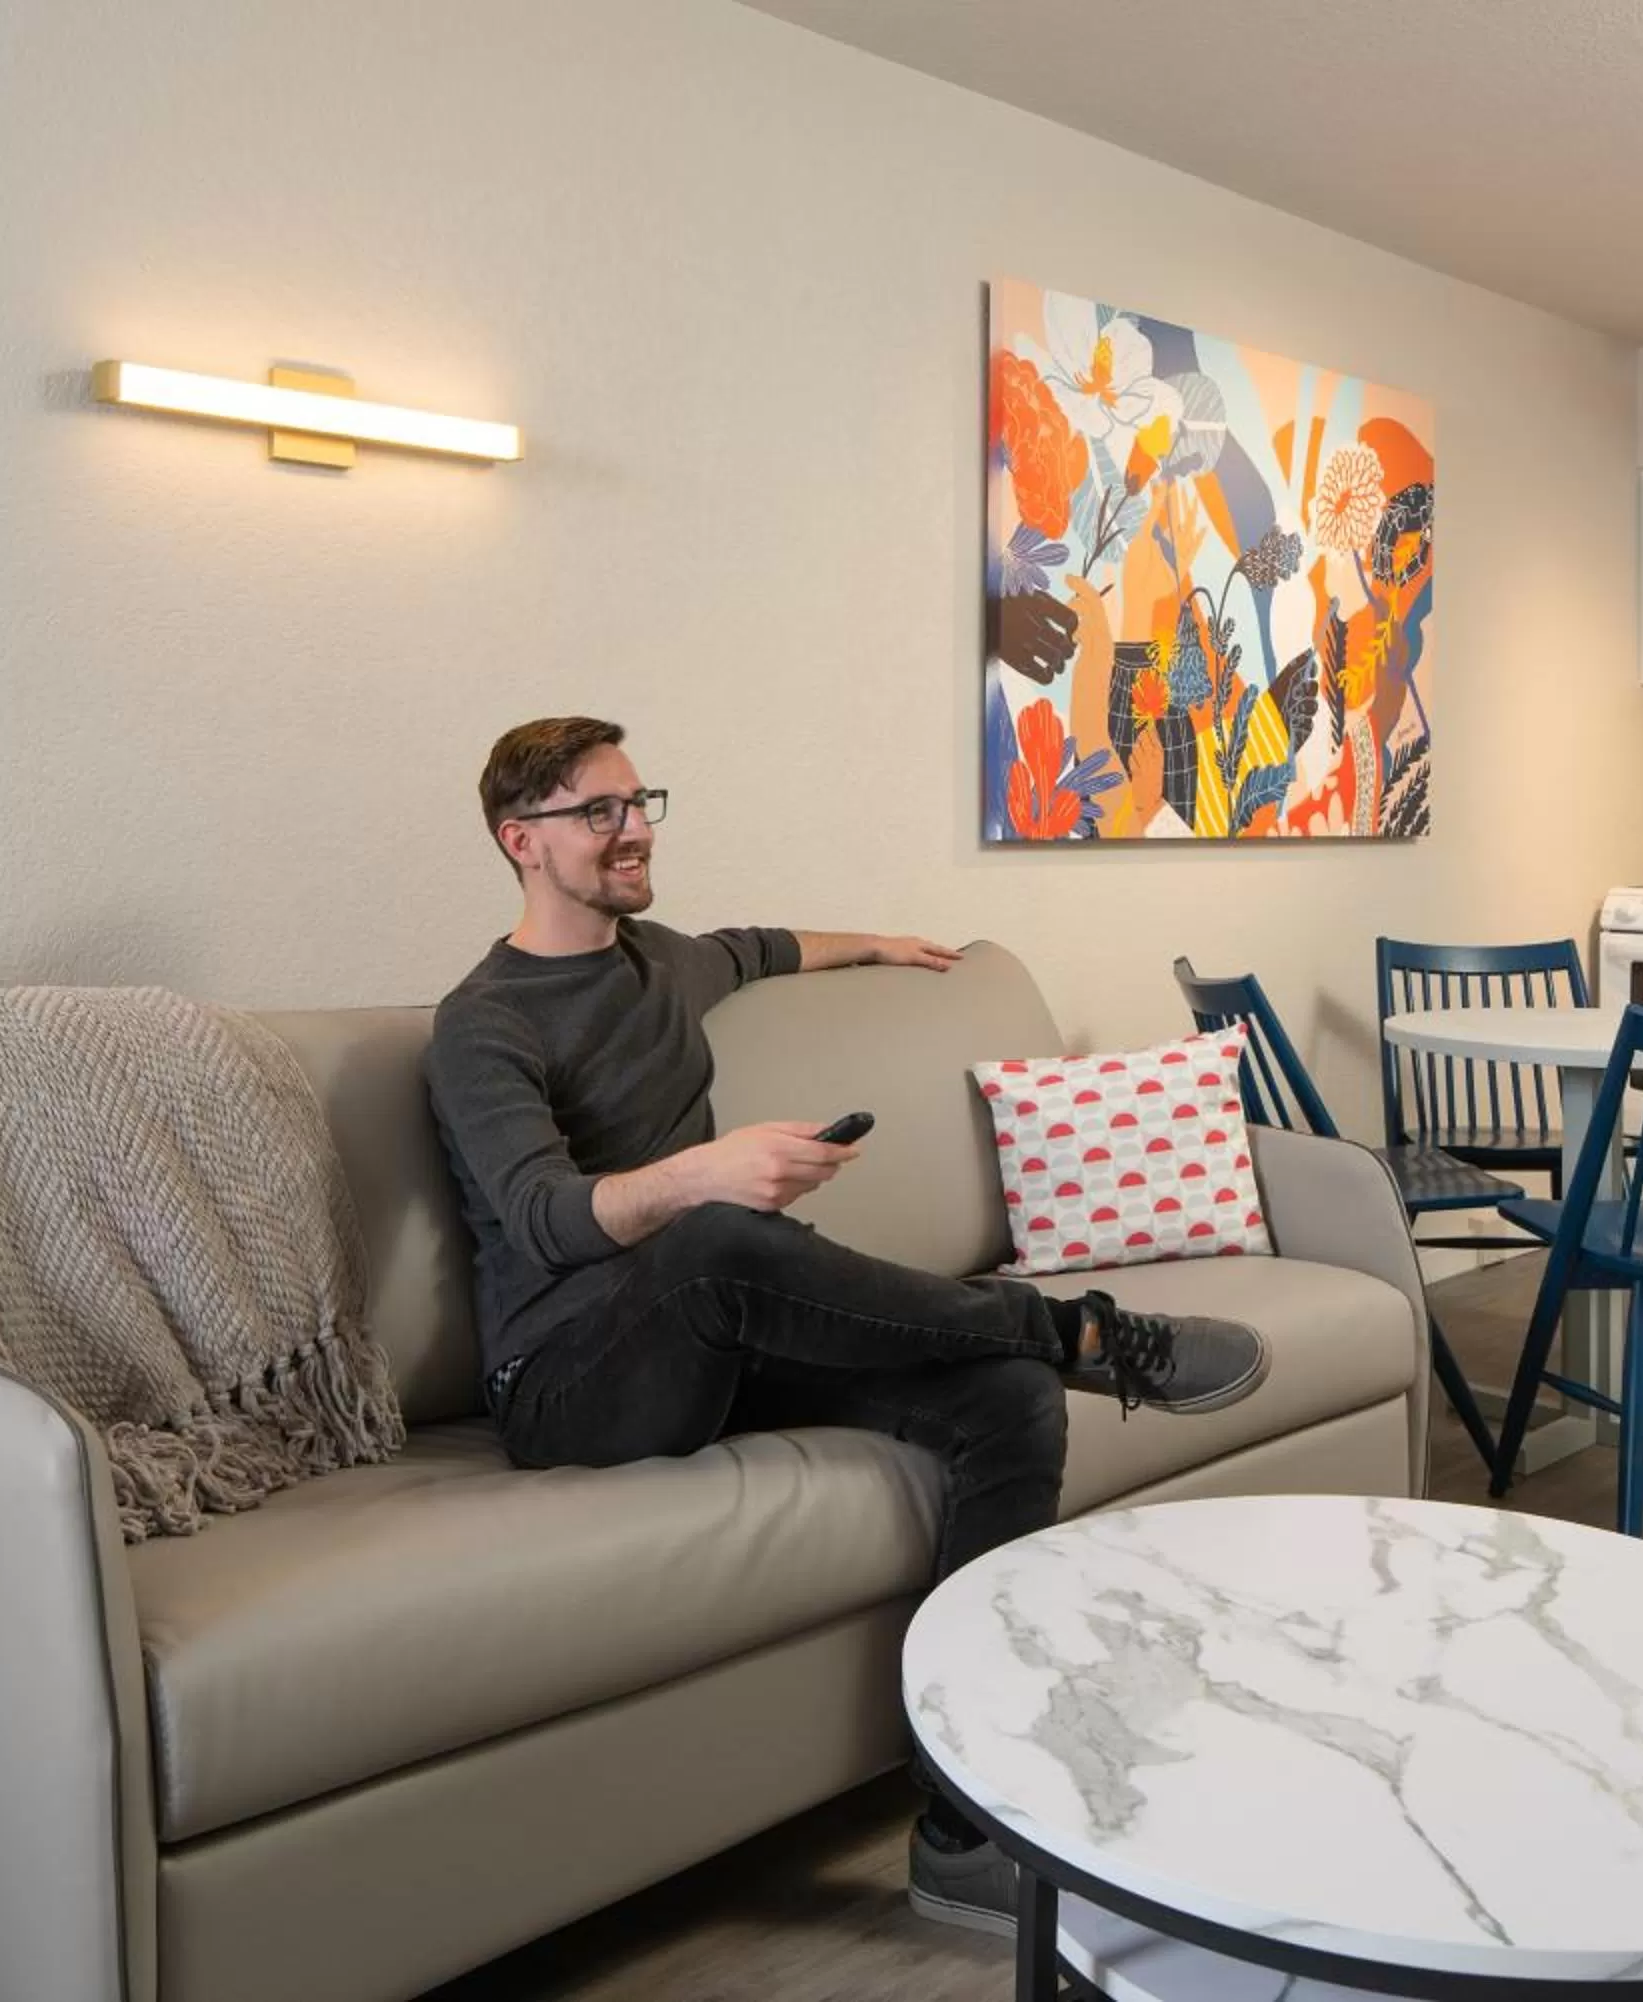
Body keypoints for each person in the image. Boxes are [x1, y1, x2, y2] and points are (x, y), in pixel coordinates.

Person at [425, 715, 1269, 1937]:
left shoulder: (665, 961)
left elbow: (760, 945)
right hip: (566, 1377)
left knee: (1003, 1403)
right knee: (715, 1243)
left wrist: (878, 943)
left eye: (641, 799)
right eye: (598, 812)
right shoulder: (483, 1020)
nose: (635, 829)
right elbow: (544, 1219)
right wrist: (703, 1175)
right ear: (521, 841)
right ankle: (1073, 1327)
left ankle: (963, 1829)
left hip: (711, 1337)